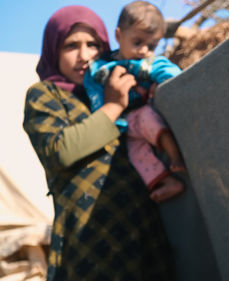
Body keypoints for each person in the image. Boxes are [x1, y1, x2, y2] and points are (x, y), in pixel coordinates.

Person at [23, 6, 174, 280]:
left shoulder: (122, 83)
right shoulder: (45, 94)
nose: (84, 56)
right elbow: (59, 151)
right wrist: (114, 106)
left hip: (144, 232)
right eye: (71, 46)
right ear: (53, 48)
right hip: (88, 241)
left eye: (92, 44)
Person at [83, 1, 185, 203]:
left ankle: (175, 158)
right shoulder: (100, 69)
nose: (144, 50)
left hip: (143, 112)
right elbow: (95, 96)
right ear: (119, 36)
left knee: (150, 120)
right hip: (124, 124)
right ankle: (167, 182)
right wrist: (112, 121)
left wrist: (163, 84)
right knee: (137, 155)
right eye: (137, 42)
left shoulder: (148, 63)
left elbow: (170, 72)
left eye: (152, 46)